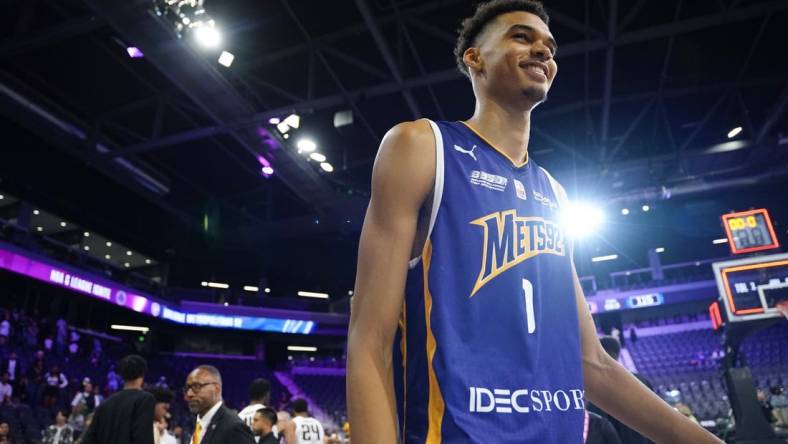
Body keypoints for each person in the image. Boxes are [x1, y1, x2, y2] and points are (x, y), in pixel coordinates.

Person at [345, 1, 725, 442]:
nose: (543, 51)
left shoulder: (553, 193)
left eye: (549, 46)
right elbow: (368, 339)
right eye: (521, 37)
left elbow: (592, 364)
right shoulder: (422, 146)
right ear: (474, 58)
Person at [80, 354, 155, 444]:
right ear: (142, 375)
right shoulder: (144, 399)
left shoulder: (105, 403)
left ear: (122, 376)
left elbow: (88, 440)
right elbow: (143, 438)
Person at [184, 365, 254, 444]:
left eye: (196, 386)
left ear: (217, 389)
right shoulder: (199, 424)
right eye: (187, 388)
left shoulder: (234, 427)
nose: (189, 394)